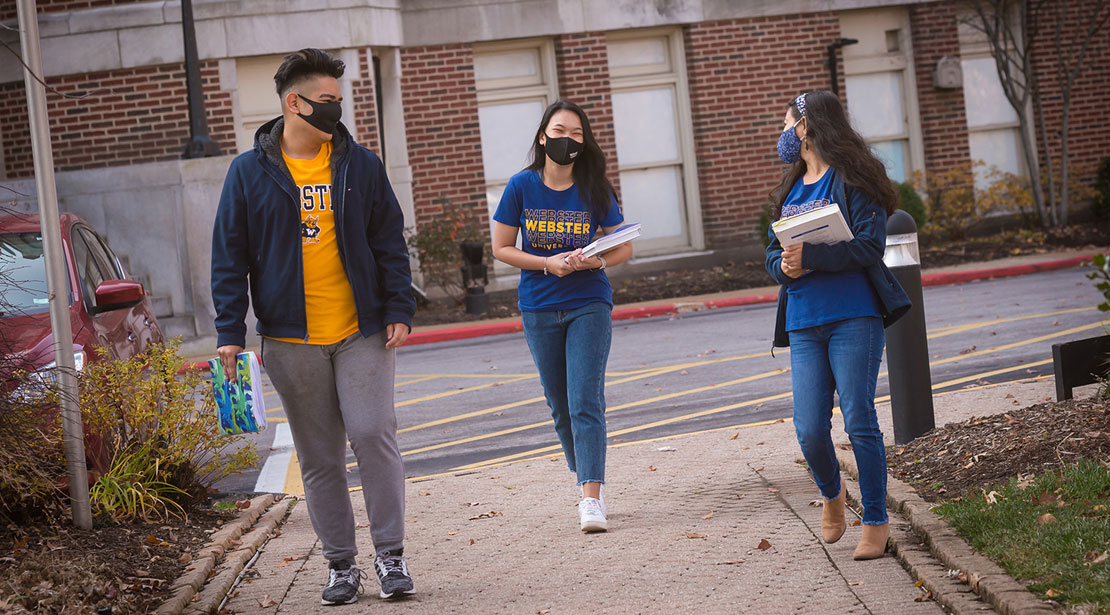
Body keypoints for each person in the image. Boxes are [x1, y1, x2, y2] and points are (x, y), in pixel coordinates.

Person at [211, 48, 416, 605]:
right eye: (326, 102)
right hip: (289, 338)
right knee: (319, 456)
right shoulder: (250, 172)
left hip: (361, 331)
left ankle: (391, 556)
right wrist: (229, 330)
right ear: (293, 103)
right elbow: (229, 257)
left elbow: (388, 241)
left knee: (374, 435)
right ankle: (341, 565)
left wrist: (399, 306)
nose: (336, 112)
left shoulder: (361, 165)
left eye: (339, 102)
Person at [764, 90, 911, 560]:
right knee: (808, 428)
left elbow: (869, 247)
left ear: (806, 127)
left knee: (860, 420)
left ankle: (876, 519)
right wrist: (783, 267)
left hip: (853, 315)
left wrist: (813, 255)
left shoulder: (853, 180)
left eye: (788, 124)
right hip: (804, 322)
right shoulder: (790, 189)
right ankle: (832, 495)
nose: (784, 134)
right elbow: (773, 253)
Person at [491, 100, 632, 532]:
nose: (567, 139)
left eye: (576, 134)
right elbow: (501, 248)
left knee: (585, 400)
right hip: (538, 306)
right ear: (542, 136)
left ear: (584, 142)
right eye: (559, 131)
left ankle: (591, 496)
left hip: (589, 301)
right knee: (560, 406)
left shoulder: (594, 187)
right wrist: (546, 263)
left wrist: (593, 262)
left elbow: (623, 246)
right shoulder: (520, 186)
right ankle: (586, 474)